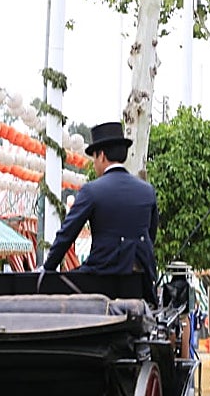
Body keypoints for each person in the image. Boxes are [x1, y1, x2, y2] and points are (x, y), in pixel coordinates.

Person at [42, 121, 159, 300]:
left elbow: (67, 234)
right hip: (140, 282)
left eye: (94, 158)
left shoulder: (92, 191)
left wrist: (48, 268)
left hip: (101, 279)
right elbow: (151, 235)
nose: (94, 164)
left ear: (102, 156)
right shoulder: (147, 191)